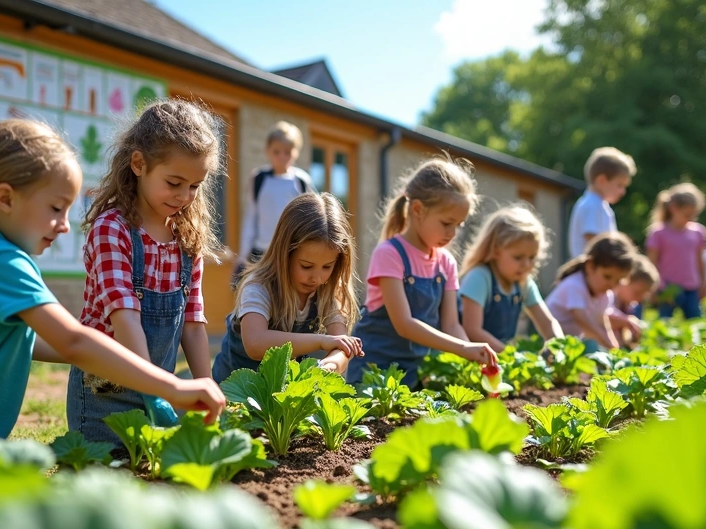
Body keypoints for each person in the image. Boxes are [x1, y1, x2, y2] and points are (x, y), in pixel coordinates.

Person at [0, 118, 224, 441]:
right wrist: (172, 388)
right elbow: (73, 341)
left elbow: (30, 343)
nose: (64, 225)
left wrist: (100, 355)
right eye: (57, 209)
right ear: (5, 199)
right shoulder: (0, 260)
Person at [69, 99, 227, 442]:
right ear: (139, 164)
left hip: (160, 385)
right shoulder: (112, 229)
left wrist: (206, 386)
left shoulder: (186, 237)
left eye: (195, 186)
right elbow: (124, 318)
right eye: (174, 182)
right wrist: (155, 391)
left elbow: (194, 323)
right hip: (105, 394)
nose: (185, 195)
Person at [346, 157, 498, 387]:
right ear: (417, 209)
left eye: (459, 224)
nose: (453, 233)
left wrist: (473, 356)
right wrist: (464, 348)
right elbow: (404, 324)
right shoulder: (389, 254)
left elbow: (451, 325)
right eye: (447, 223)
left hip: (415, 372)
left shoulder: (445, 262)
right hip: (374, 372)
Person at [212, 192, 362, 381]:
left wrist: (329, 366)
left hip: (280, 394)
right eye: (306, 266)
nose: (316, 277)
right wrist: (321, 341)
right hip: (235, 395)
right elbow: (255, 343)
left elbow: (340, 347)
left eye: (327, 267)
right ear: (284, 253)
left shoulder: (329, 291)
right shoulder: (259, 286)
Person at [458, 205, 564, 352]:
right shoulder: (479, 277)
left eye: (532, 257)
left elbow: (547, 323)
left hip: (499, 359)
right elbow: (472, 330)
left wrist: (559, 347)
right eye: (518, 257)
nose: (526, 265)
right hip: (469, 360)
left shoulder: (524, 284)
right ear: (496, 250)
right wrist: (511, 357)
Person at [234, 121, 314, 286]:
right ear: (267, 151)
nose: (282, 156)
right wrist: (242, 257)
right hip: (261, 252)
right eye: (276, 151)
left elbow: (310, 219)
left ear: (296, 152)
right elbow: (251, 216)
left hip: (290, 251)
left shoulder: (301, 181)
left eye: (287, 152)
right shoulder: (258, 179)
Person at [545, 233, 638, 352]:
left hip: (565, 345)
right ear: (590, 266)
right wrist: (609, 346)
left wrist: (614, 345)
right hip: (545, 340)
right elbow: (582, 320)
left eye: (618, 280)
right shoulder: (575, 285)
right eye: (607, 277)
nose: (611, 285)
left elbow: (603, 321)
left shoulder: (605, 294)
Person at [645, 183, 706, 319]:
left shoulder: (698, 232)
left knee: (695, 322)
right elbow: (652, 263)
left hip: (692, 287)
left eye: (693, 216)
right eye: (686, 215)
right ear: (673, 208)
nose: (690, 219)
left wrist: (703, 282)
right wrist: (656, 287)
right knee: (665, 323)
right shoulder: (658, 233)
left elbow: (699, 260)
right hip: (667, 287)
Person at [567, 146, 636, 259]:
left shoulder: (601, 206)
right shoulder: (592, 205)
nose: (623, 192)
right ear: (602, 180)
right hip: (590, 273)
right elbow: (594, 241)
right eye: (620, 185)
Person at [609, 254, 659, 347]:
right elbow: (604, 315)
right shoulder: (610, 297)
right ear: (623, 280)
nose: (640, 298)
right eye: (637, 292)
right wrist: (626, 321)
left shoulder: (629, 306)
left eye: (644, 295)